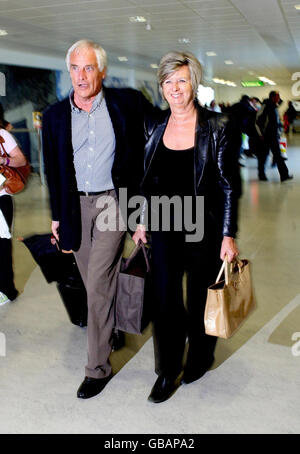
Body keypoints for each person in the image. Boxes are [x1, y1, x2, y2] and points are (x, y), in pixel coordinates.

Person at [42, 40, 155, 399]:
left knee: (98, 281)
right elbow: (54, 170)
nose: (81, 75)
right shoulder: (56, 116)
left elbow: (154, 142)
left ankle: (97, 369)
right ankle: (112, 327)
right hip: (75, 207)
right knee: (97, 287)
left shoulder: (126, 103)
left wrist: (141, 215)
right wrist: (57, 216)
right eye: (75, 68)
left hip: (112, 204)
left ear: (102, 71)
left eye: (89, 67)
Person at [133, 51, 240, 403]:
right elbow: (143, 178)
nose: (174, 88)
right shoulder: (153, 124)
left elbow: (227, 183)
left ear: (193, 83)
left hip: (202, 226)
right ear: (161, 86)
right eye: (168, 81)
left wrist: (228, 233)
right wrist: (139, 220)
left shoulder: (217, 126)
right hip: (163, 223)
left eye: (181, 80)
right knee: (165, 300)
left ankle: (199, 357)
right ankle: (166, 370)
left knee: (199, 298)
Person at [0, 122, 27, 305]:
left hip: (1, 197)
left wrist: (3, 160)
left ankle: (6, 290)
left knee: (1, 247)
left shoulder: (2, 134)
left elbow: (21, 160)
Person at [256, 91, 293, 182]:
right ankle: (261, 175)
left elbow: (275, 122)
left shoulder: (274, 106)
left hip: (273, 136)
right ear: (273, 97)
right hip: (266, 137)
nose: (279, 98)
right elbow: (257, 121)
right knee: (263, 156)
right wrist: (261, 134)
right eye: (278, 96)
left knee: (278, 156)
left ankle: (284, 175)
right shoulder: (265, 106)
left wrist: (278, 132)